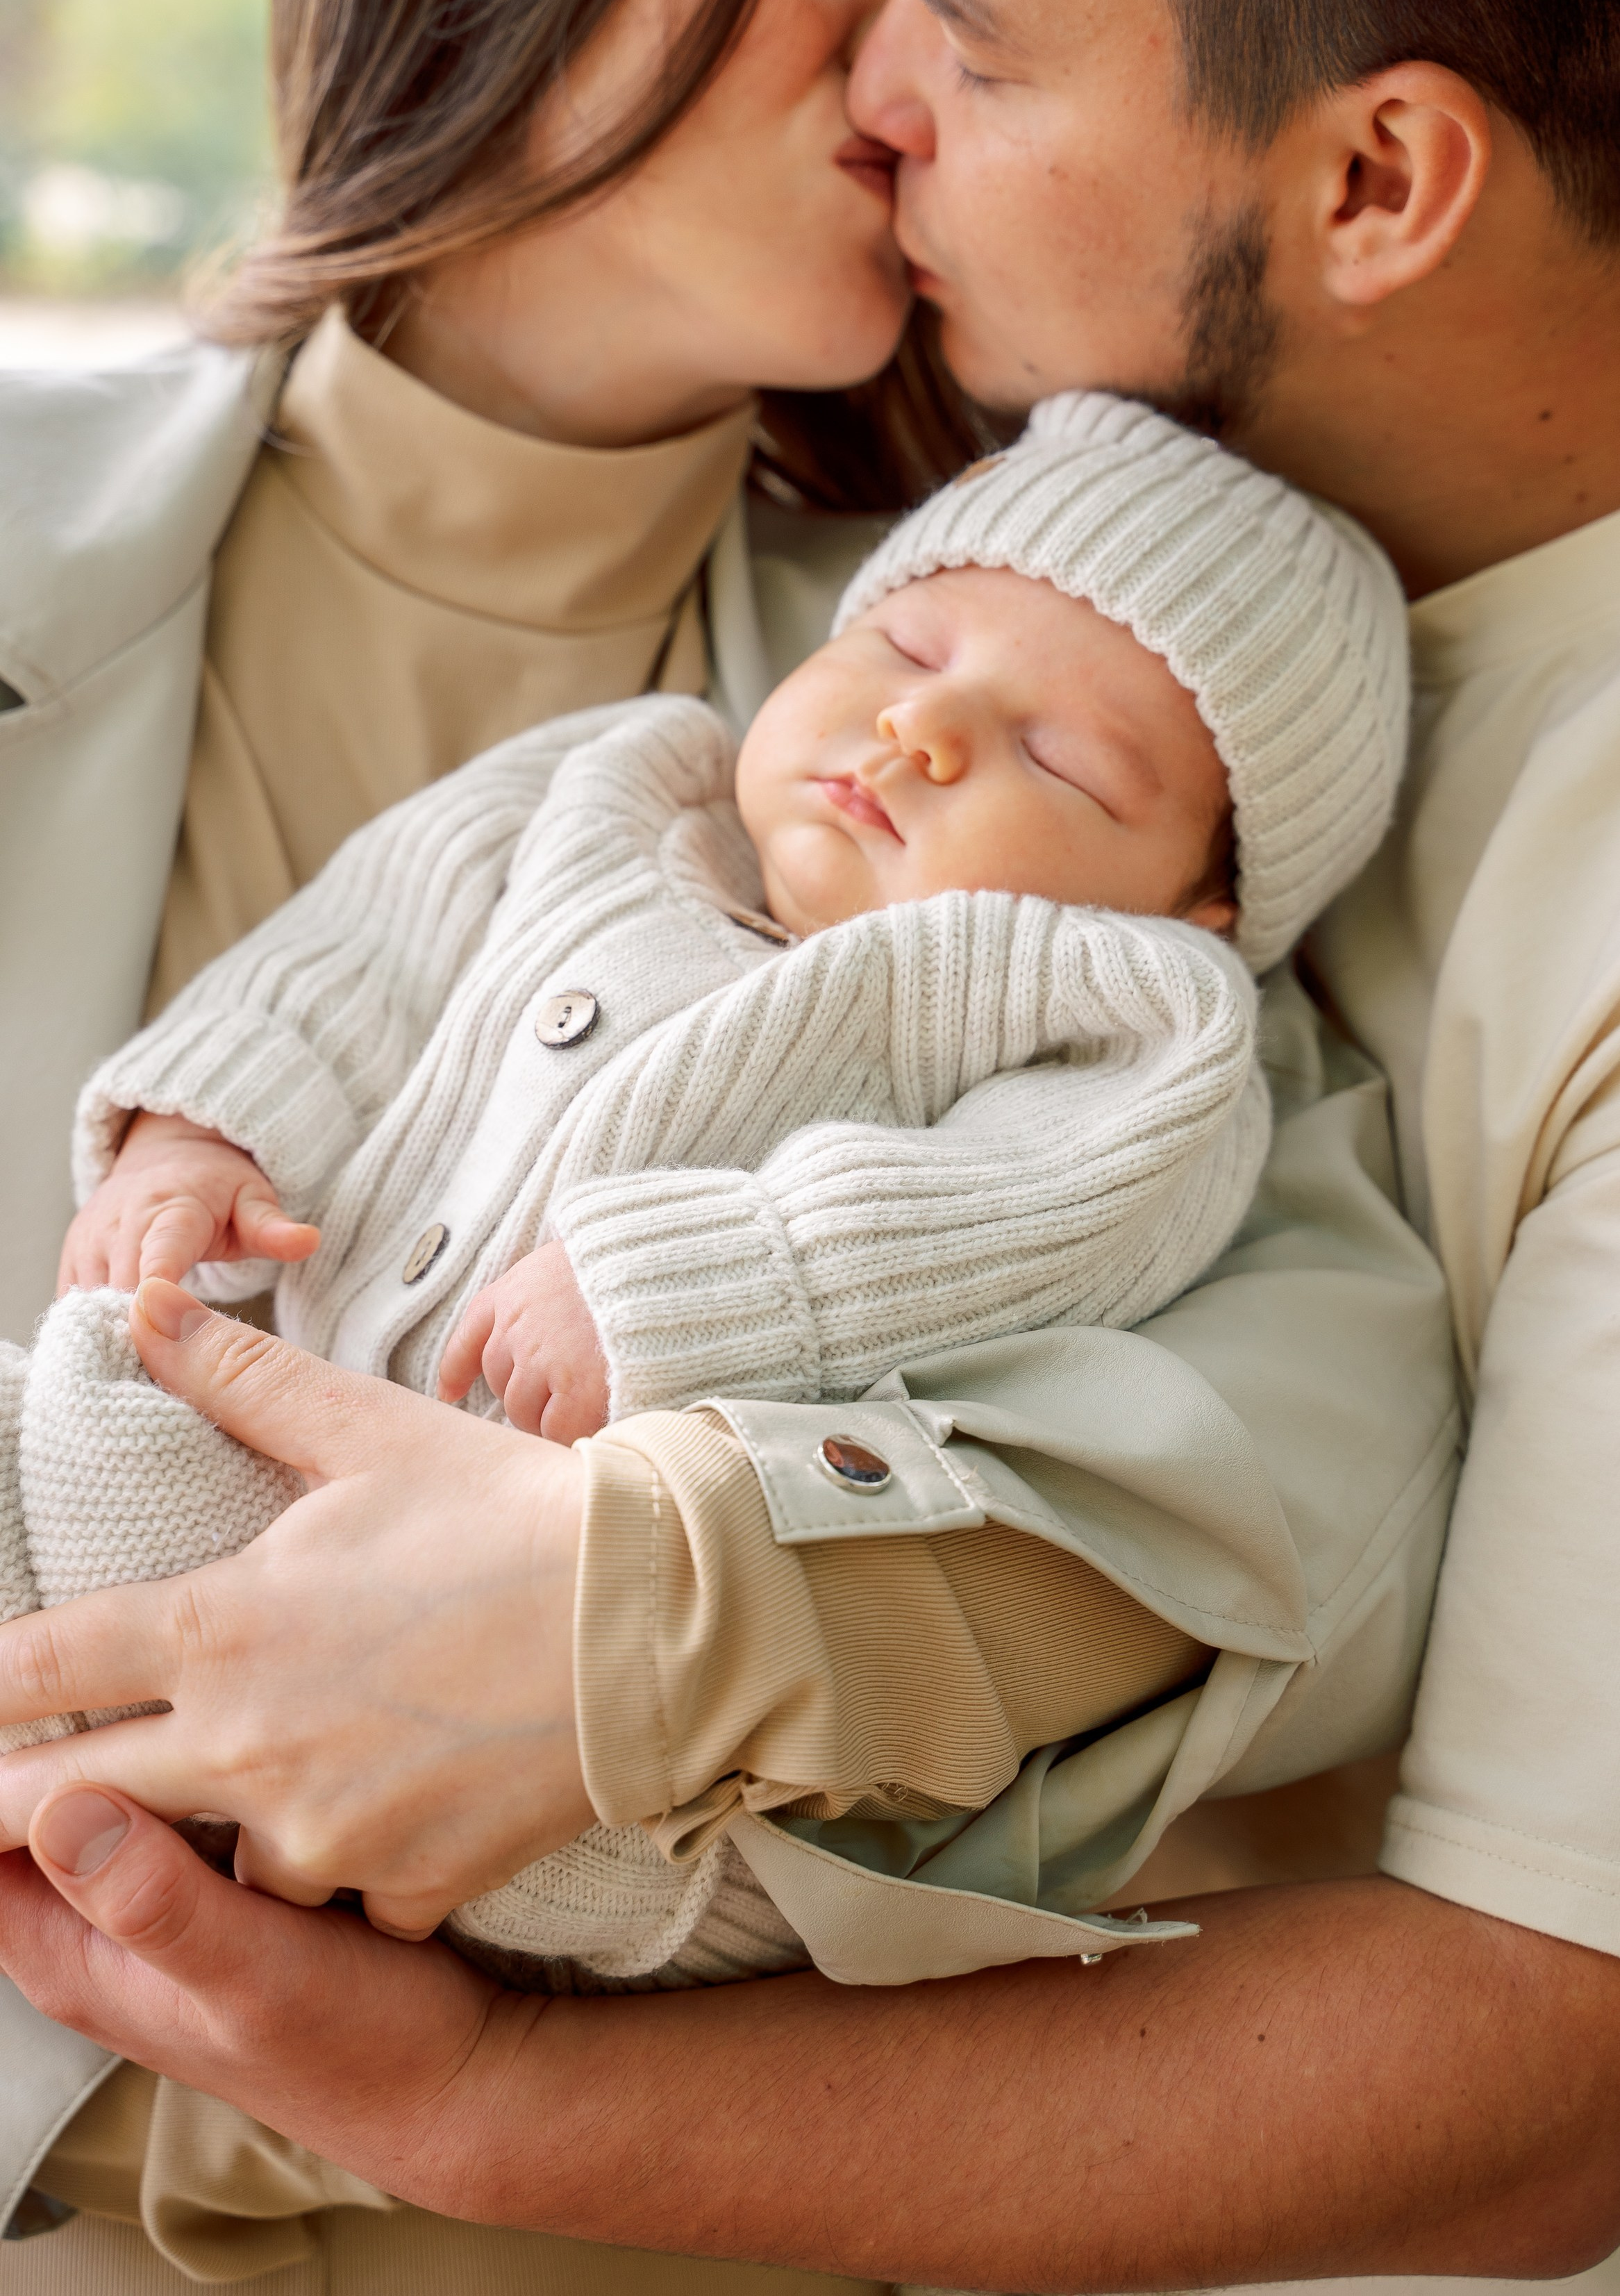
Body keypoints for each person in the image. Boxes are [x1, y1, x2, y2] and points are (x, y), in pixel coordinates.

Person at [28, 0, 1618, 2296]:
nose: (894, 66)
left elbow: (1267, 1425)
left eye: (972, 19)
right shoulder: (742, 724)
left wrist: (659, 1613)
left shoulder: (1059, 767)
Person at [6, 394, 1406, 1999]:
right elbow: (359, 955)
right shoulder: (619, 780)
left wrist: (683, 1281)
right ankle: (128, 1737)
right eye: (908, 644)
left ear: (1200, 901)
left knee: (138, 1527)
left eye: (1061, 757)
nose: (922, 732)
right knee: (73, 1412)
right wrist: (199, 1137)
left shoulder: (1121, 1015)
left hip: (584, 1706)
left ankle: (148, 1745)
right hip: (273, 1435)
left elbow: (1018, 1212)